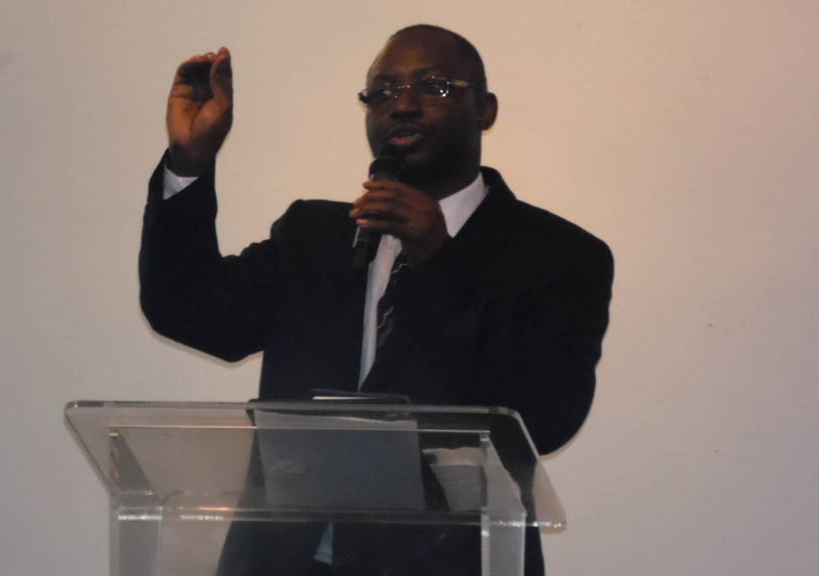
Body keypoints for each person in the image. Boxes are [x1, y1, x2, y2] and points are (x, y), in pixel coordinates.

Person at [140, 24, 613, 576]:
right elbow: (188, 308)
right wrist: (189, 162)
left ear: (485, 110)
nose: (403, 105)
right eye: (382, 92)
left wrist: (439, 260)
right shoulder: (313, 236)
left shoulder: (559, 255)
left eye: (433, 86)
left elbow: (546, 417)